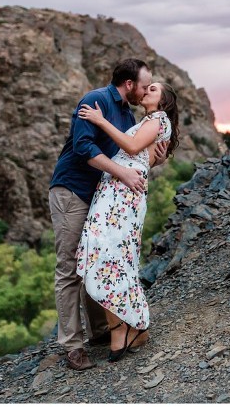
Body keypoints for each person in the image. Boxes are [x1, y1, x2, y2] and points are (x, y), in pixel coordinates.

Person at [48, 58, 167, 371]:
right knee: (70, 267)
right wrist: (122, 174)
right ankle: (73, 346)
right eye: (144, 86)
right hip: (73, 191)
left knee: (94, 259)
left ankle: (100, 331)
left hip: (101, 198)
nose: (145, 91)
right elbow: (83, 147)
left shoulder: (127, 114)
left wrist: (153, 160)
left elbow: (129, 154)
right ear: (129, 84)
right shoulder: (96, 100)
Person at [75, 81, 179, 362]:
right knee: (108, 256)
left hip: (123, 192)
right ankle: (128, 325)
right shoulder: (148, 122)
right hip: (116, 188)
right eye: (147, 87)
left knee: (110, 256)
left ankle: (123, 327)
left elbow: (132, 147)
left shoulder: (159, 119)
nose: (146, 91)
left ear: (164, 101)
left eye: (153, 89)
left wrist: (99, 120)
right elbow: (143, 155)